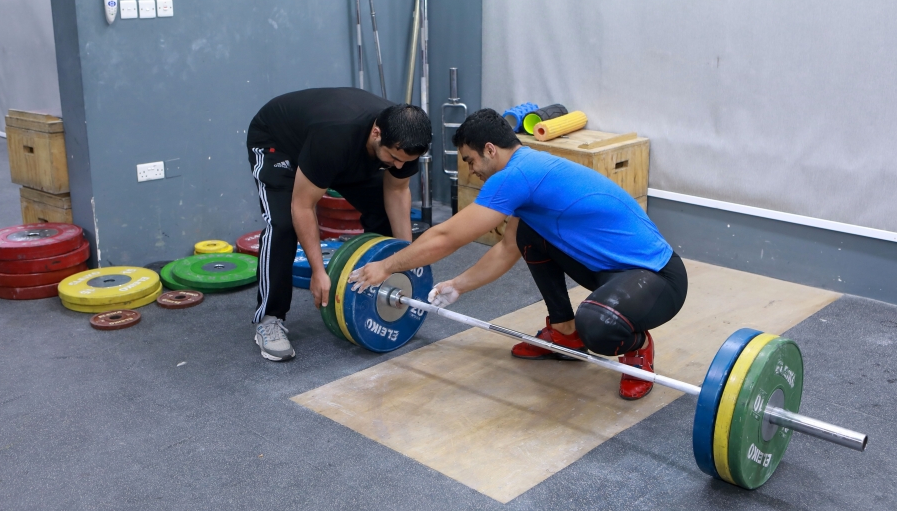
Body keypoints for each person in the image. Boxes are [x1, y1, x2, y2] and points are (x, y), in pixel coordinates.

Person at [349, 108, 687, 399]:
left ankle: (637, 346)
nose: (471, 170)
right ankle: (564, 332)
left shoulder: (515, 176)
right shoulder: (529, 169)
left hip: (657, 277)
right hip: (608, 270)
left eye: (470, 160)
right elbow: (508, 248)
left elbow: (448, 237)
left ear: (491, 150)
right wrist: (459, 285)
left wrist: (387, 266)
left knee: (597, 325)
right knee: (528, 234)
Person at [246, 87, 432, 362]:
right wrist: (318, 271)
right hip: (279, 143)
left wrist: (402, 258)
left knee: (382, 209)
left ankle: (373, 286)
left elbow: (396, 193)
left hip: (340, 153)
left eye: (404, 162)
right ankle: (270, 319)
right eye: (393, 158)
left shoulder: (405, 140)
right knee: (283, 224)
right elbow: (303, 206)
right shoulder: (334, 135)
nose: (397, 165)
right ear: (377, 133)